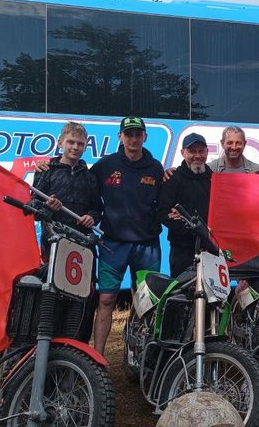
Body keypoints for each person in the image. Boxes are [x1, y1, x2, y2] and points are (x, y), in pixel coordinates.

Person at [90, 116, 164, 354]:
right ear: (120, 137)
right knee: (106, 301)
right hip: (113, 245)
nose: (133, 139)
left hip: (147, 246)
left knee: (145, 303)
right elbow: (81, 183)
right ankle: (98, 357)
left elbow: (165, 200)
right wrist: (48, 165)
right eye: (128, 134)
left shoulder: (156, 168)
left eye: (138, 134)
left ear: (144, 137)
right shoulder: (105, 165)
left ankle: (138, 353)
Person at [31, 122, 102, 261]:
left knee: (85, 282)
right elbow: (33, 209)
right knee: (52, 282)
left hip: (83, 244)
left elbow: (97, 209)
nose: (75, 147)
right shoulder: (46, 171)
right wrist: (47, 207)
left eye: (80, 144)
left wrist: (91, 218)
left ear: (85, 147)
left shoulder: (90, 177)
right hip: (52, 242)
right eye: (71, 142)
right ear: (60, 143)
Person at [157, 132, 213, 276]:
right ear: (183, 153)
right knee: (181, 294)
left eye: (201, 151)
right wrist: (189, 230)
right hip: (181, 249)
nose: (197, 155)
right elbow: (163, 212)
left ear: (207, 152)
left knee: (212, 294)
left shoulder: (215, 179)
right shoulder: (172, 179)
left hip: (211, 249)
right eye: (192, 151)